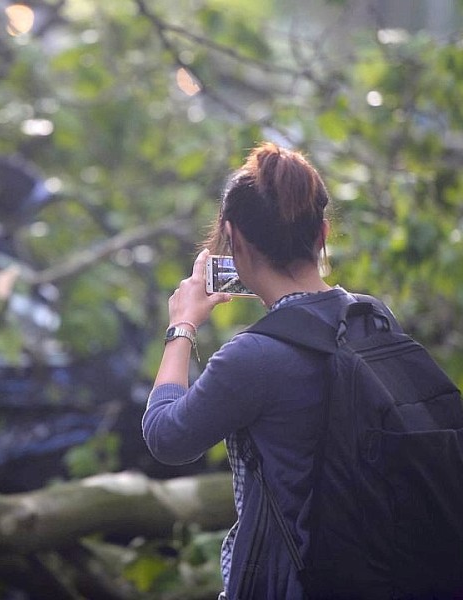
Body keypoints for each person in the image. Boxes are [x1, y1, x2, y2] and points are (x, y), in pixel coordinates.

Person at [141, 142, 399, 599]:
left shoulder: (255, 357)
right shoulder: (371, 317)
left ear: (233, 239)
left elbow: (165, 436)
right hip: (379, 570)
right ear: (321, 234)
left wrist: (181, 325)